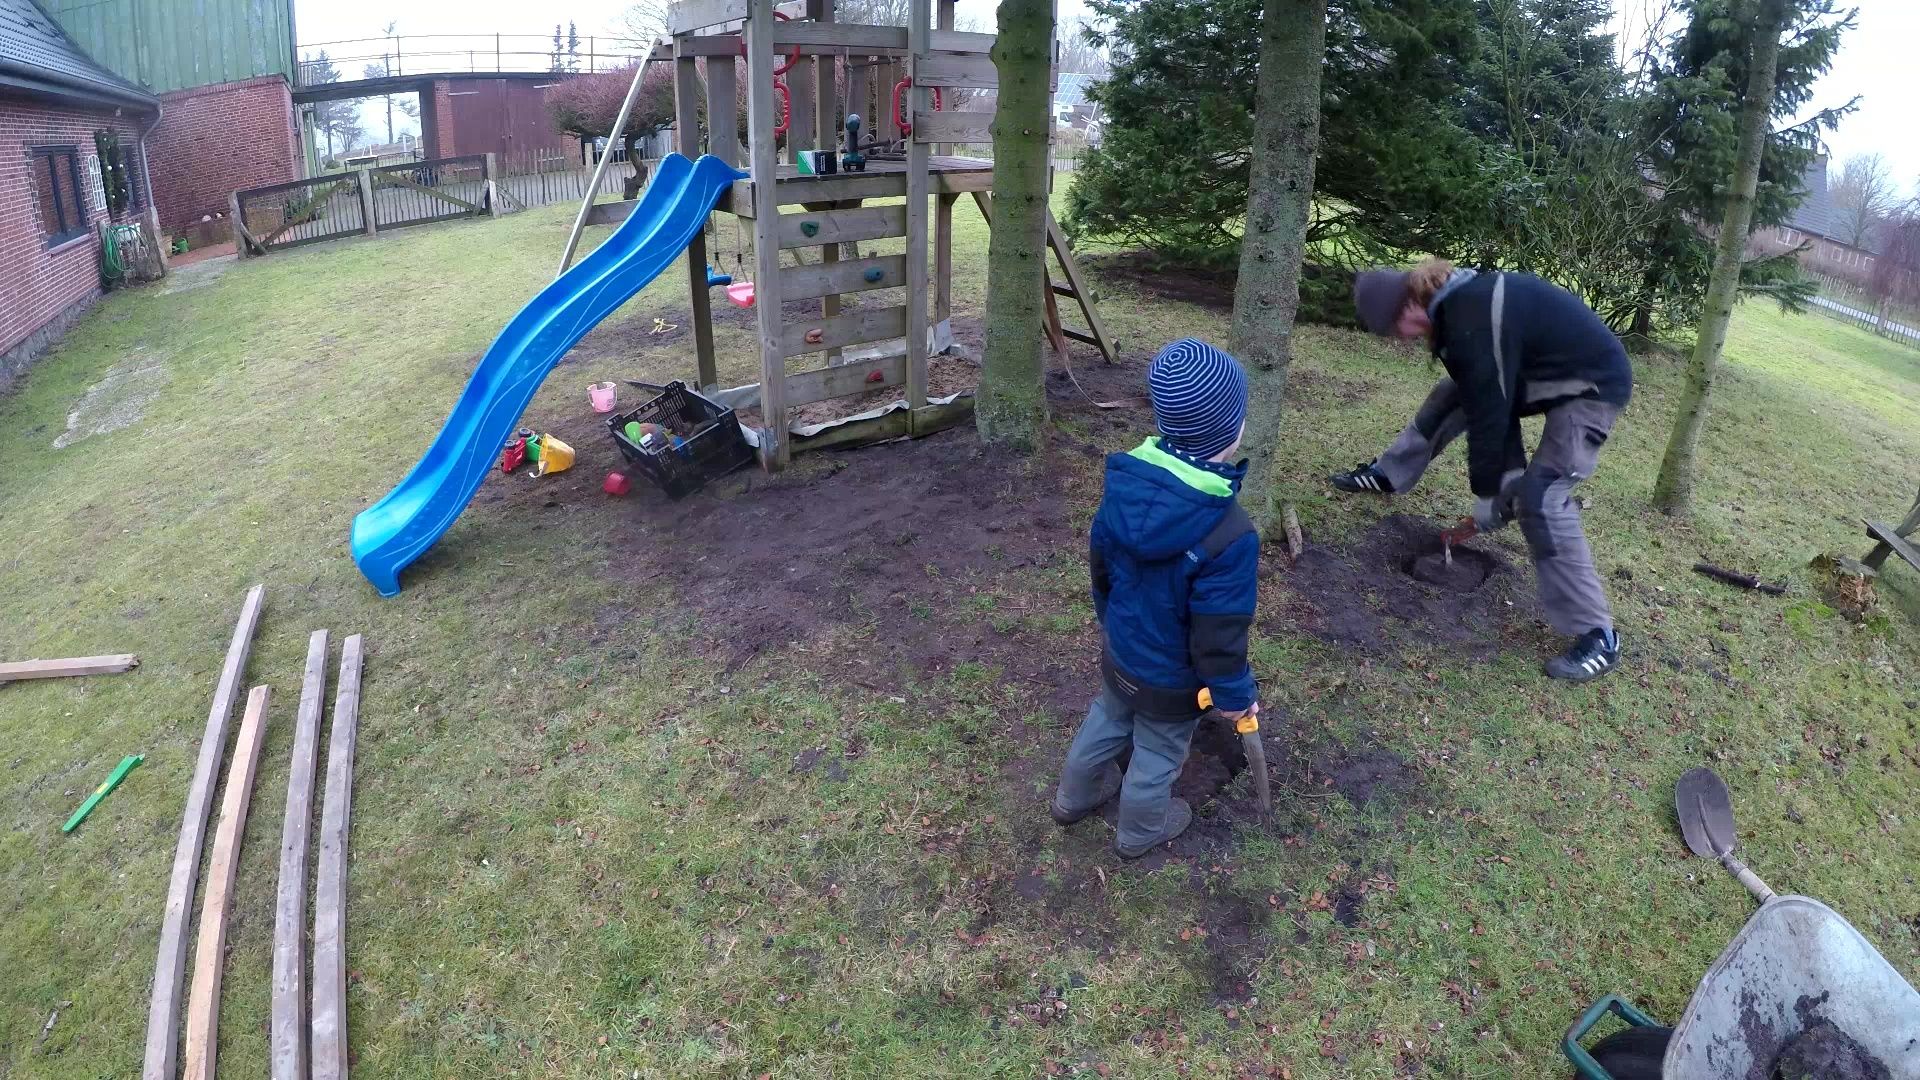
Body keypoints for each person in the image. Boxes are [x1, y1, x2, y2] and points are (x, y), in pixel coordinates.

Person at [1334, 259, 1632, 682]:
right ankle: (1388, 473)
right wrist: (1500, 485)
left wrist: (1495, 493)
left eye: (1392, 328)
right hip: (1539, 373)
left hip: (1591, 386)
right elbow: (1486, 395)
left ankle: (1599, 635)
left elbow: (1492, 407)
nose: (1396, 338)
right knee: (1453, 393)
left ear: (1409, 305)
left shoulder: (1472, 314)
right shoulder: (1455, 310)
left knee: (1541, 498)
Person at [1051, 339, 1260, 858]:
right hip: (1171, 681)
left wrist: (1112, 623)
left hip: (1121, 650)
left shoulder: (1125, 483)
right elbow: (1219, 634)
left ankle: (1072, 798)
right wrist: (1233, 695)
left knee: (1107, 719)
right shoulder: (1230, 532)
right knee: (1157, 753)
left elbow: (1102, 567)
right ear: (1230, 430)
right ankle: (1140, 832)